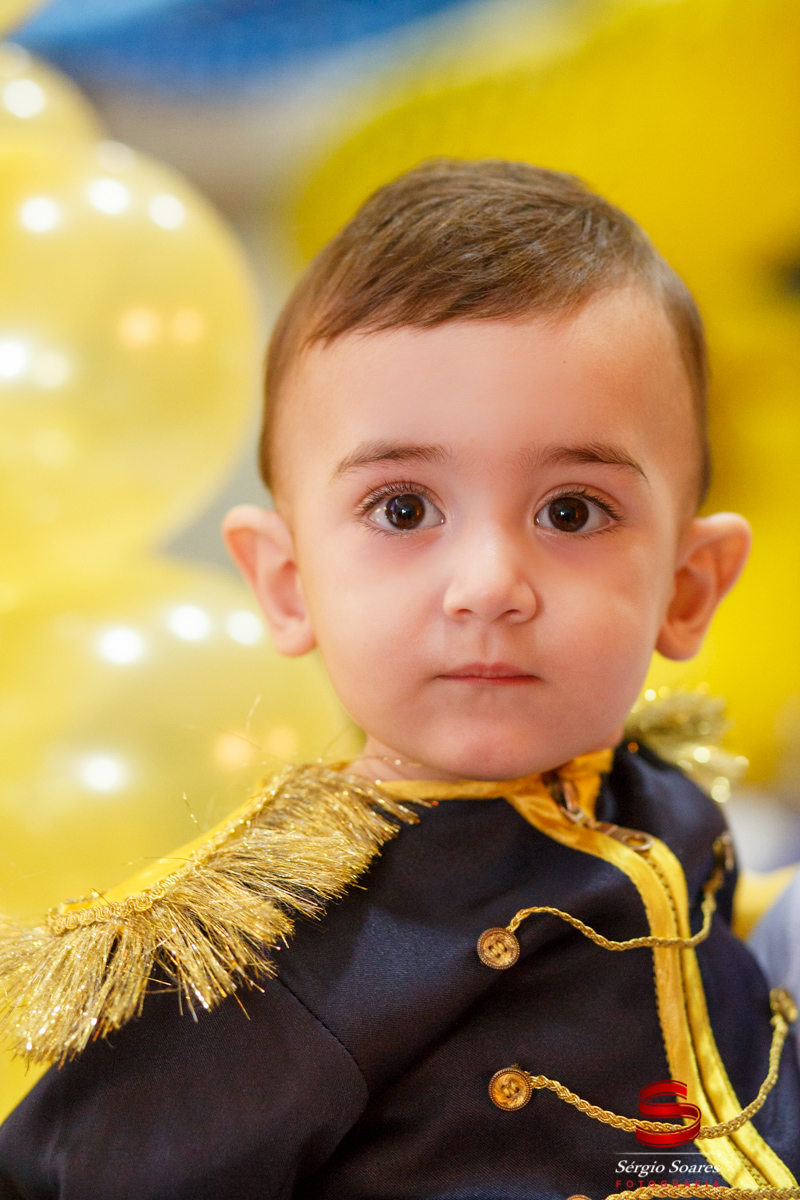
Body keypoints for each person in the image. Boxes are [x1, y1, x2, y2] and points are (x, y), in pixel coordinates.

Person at [1, 159, 798, 1200]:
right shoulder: (262, 959)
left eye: (570, 511)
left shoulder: (664, 797)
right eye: (403, 509)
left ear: (688, 589)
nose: (488, 585)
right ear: (288, 585)